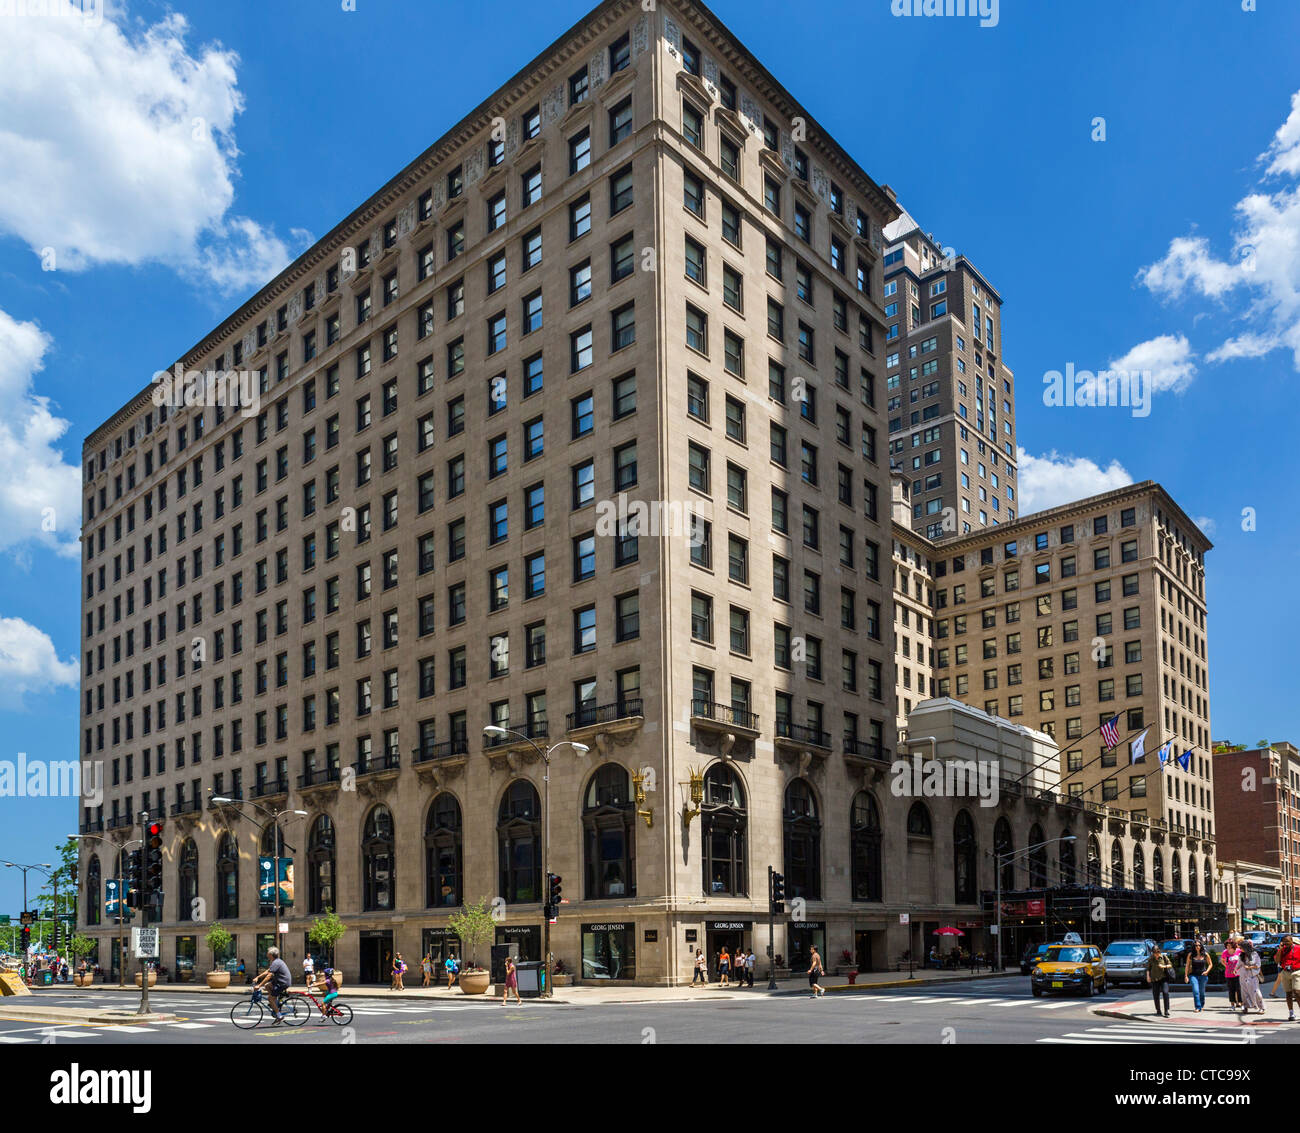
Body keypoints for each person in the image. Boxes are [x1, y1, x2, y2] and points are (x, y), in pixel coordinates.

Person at [252, 947, 293, 1023]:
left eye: (267, 953)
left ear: (271, 954)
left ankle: (279, 1016)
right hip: (279, 980)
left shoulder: (276, 962)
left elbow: (269, 975)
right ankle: (274, 1003)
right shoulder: (275, 962)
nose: (267, 954)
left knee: (270, 998)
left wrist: (259, 985)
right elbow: (268, 971)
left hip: (282, 982)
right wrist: (257, 977)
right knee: (267, 986)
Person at [1183, 940, 1214, 1012]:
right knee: (1196, 991)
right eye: (1196, 945)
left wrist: (1207, 971)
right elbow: (1187, 965)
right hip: (1193, 975)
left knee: (1202, 992)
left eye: (1199, 945)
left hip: (1203, 976)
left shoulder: (1205, 954)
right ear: (1194, 946)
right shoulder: (1190, 955)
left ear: (1201, 946)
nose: (1197, 947)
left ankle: (1201, 1005)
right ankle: (1197, 1007)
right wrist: (1186, 976)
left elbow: (1210, 964)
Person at [1145, 942, 1173, 1017]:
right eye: (1154, 953)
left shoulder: (1164, 957)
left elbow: (1170, 965)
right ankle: (1158, 1010)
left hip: (1164, 978)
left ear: (1159, 951)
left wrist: (1164, 966)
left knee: (1165, 992)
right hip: (1154, 979)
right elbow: (1148, 968)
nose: (1155, 954)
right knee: (1156, 995)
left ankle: (1166, 1010)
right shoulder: (1151, 958)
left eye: (1157, 952)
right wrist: (1148, 977)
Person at [1239, 940, 1265, 1015]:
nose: (1240, 949)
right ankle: (1246, 1006)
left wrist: (1250, 967)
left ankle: (1261, 1007)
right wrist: (1235, 969)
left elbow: (1258, 965)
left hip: (1252, 975)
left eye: (1241, 948)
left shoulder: (1255, 954)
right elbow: (1239, 963)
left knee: (1256, 991)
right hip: (1243, 975)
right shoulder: (1241, 955)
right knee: (1244, 991)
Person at [1280, 935, 1300, 1022]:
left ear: (1292, 941)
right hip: (1285, 972)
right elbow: (1277, 960)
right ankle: (1291, 1013)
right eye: (1284, 942)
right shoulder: (1282, 950)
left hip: (1296, 971)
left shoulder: (1298, 948)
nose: (1286, 943)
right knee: (1288, 993)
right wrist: (1280, 949)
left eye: (1287, 941)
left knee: (1297, 992)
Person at [1222, 939, 1243, 1011]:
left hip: (1238, 974)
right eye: (1227, 945)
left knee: (1239, 989)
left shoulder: (1238, 951)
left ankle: (1241, 1003)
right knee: (1231, 990)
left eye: (1230, 945)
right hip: (1228, 974)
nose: (1228, 947)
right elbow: (1222, 960)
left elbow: (1242, 961)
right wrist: (1226, 966)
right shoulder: (1225, 952)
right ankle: (1232, 1005)